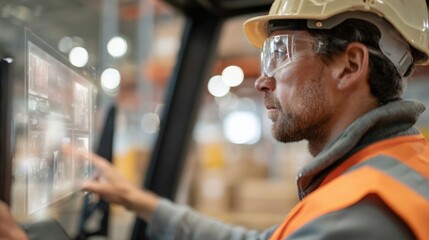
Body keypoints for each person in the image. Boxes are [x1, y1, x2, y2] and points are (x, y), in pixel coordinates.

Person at [2, 0, 429, 239]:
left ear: (349, 66)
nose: (261, 80)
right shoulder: (394, 168)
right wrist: (138, 200)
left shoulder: (363, 214)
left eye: (279, 54)